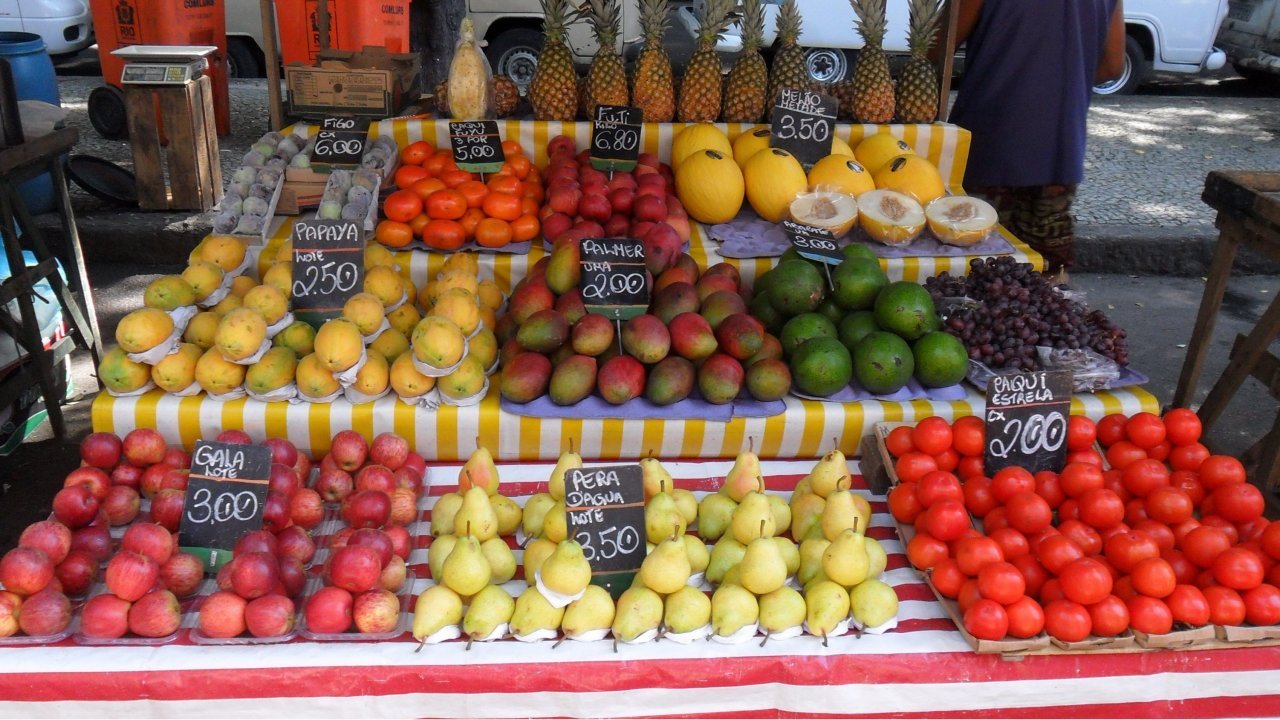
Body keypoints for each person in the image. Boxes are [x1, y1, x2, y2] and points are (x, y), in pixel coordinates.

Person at [942, 0, 1126, 273]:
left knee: (971, 277)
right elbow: (1112, 66)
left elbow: (938, 47)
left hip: (987, 146)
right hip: (1060, 151)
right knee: (1043, 288)